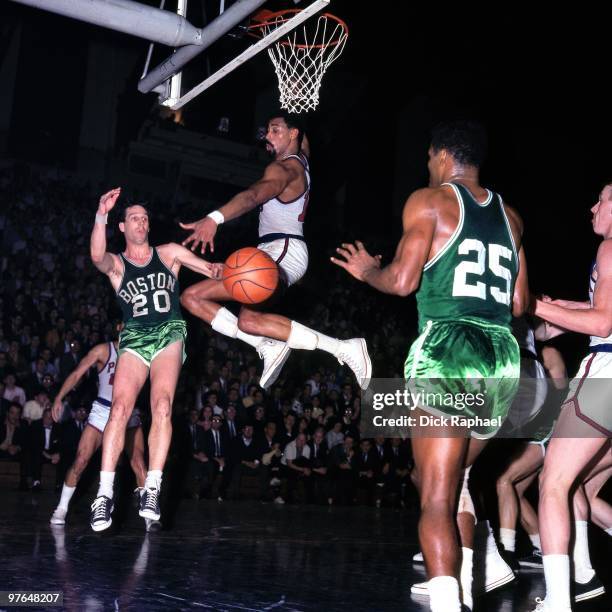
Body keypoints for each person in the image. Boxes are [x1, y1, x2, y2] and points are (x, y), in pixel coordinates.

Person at [333, 120, 529, 612]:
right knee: (452, 478)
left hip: (450, 346)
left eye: (428, 158)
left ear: (442, 155)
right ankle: (468, 573)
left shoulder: (429, 200)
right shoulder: (513, 218)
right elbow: (521, 302)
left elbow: (401, 281)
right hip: (504, 356)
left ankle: (449, 601)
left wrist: (366, 271)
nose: (427, 165)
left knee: (435, 495)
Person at [179, 111, 370, 391]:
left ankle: (344, 349)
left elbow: (253, 195)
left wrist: (214, 218)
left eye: (275, 130)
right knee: (192, 298)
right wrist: (294, 102)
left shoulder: (283, 170)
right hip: (272, 247)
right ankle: (266, 345)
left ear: (293, 134)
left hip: (284, 247)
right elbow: (304, 137)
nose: (267, 136)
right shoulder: (302, 156)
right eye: (267, 130)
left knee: (248, 318)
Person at [88, 187, 221, 531]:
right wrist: (101, 213)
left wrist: (232, 269)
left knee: (162, 405)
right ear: (123, 227)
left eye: (145, 218)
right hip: (134, 337)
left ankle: (153, 488)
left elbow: (212, 271)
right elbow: (96, 257)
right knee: (119, 410)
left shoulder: (170, 253)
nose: (141, 222)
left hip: (169, 332)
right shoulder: (118, 265)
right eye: (134, 218)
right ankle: (104, 495)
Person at [531, 182, 612, 611]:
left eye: (602, 199)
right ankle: (583, 572)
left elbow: (602, 324)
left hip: (606, 376)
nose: (593, 206)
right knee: (582, 486)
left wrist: (536, 306)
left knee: (553, 483)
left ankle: (559, 600)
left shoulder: (610, 249)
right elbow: (598, 308)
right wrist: (561, 308)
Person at [49, 327, 152, 529]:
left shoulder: (143, 351)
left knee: (139, 462)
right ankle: (61, 508)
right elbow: (78, 372)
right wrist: (59, 397)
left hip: (129, 413)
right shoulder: (104, 350)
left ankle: (149, 518)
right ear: (119, 328)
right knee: (80, 460)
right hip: (103, 410)